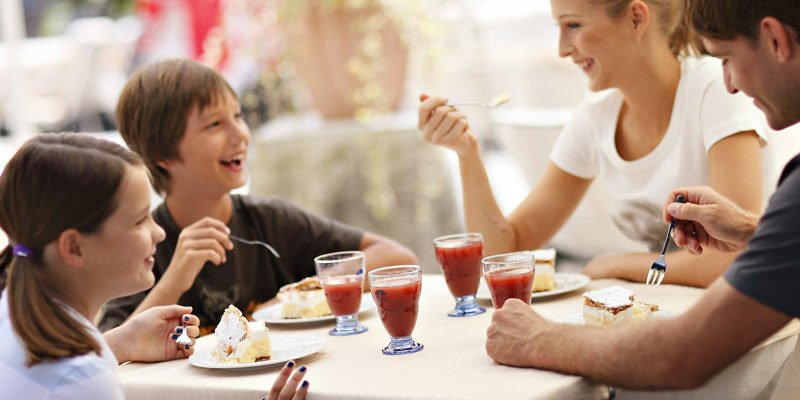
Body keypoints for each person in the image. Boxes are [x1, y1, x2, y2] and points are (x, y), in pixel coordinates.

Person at [486, 0, 800, 395]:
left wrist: (535, 339)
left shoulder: (713, 98)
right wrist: (751, 230)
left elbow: (679, 356)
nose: (731, 85)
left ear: (774, 38)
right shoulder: (597, 113)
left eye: (725, 58)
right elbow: (507, 243)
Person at [418, 0, 771, 287]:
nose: (561, 49)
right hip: (668, 313)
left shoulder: (715, 88)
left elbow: (731, 260)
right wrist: (467, 152)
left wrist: (614, 264)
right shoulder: (596, 115)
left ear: (635, 18)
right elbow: (504, 250)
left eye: (573, 25)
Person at [100, 59, 417, 333]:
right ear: (163, 154)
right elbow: (109, 352)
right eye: (214, 124)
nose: (240, 134)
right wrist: (174, 281)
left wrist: (292, 300)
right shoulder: (143, 245)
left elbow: (394, 258)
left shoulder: (270, 220)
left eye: (237, 116)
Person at [0, 134, 201, 398]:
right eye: (140, 220)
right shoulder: (82, 379)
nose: (159, 233)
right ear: (74, 247)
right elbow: (70, 378)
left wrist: (122, 342)